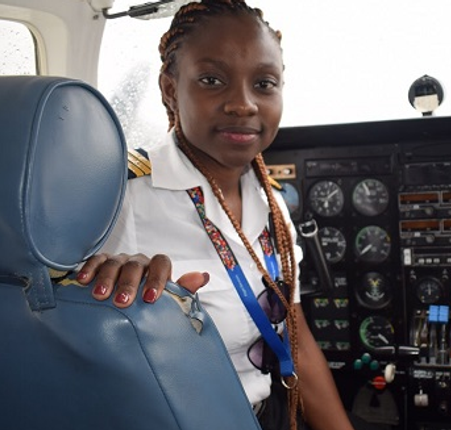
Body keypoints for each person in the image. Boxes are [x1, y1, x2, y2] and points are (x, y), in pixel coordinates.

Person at [77, 2, 356, 430]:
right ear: (170, 89)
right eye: (212, 80)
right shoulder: (123, 195)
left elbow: (295, 339)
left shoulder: (273, 205)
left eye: (264, 83)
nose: (243, 105)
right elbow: (81, 351)